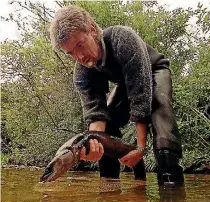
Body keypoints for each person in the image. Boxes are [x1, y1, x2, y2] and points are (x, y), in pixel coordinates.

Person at [49, 5, 184, 185]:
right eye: (71, 52)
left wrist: (141, 148)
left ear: (90, 28)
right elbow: (96, 115)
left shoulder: (123, 39)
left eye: (79, 45)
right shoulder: (81, 73)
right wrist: (93, 145)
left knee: (160, 111)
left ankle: (172, 187)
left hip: (154, 70)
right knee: (108, 126)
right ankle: (110, 187)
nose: (79, 56)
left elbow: (140, 96)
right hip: (125, 83)